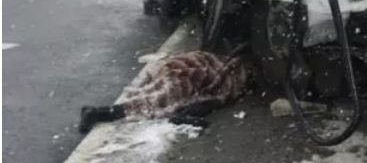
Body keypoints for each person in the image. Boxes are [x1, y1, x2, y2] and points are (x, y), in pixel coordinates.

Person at [78, 49, 248, 133]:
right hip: (187, 71)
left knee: (157, 95)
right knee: (159, 100)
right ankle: (101, 113)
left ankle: (101, 112)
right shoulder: (233, 77)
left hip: (181, 66)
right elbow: (215, 90)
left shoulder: (230, 66)